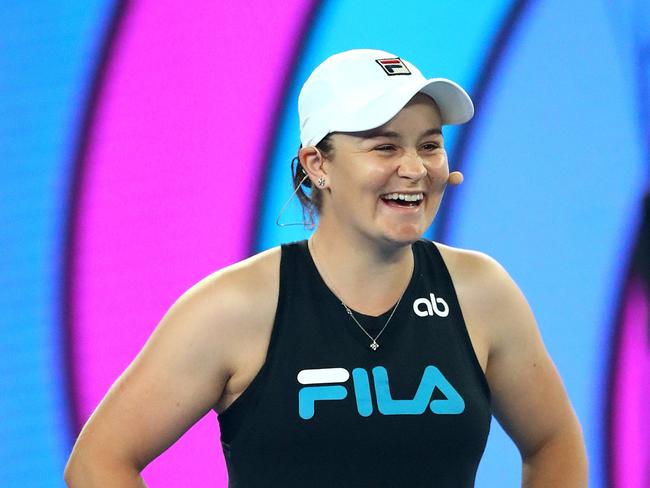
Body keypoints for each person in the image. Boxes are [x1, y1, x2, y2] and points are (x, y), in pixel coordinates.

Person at [64, 49, 588, 487]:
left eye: (429, 144)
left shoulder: (481, 293)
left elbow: (553, 443)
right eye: (385, 145)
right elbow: (98, 462)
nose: (414, 168)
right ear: (318, 165)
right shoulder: (236, 307)